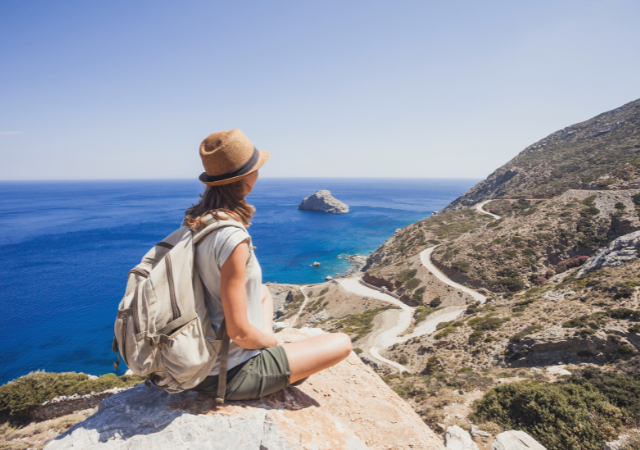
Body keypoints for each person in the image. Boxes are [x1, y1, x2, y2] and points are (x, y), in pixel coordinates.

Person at [185, 129, 352, 401]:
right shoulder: (233, 237)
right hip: (226, 373)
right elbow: (239, 332)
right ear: (247, 178)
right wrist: (270, 342)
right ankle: (262, 354)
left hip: (195, 358)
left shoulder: (196, 222)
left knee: (262, 292)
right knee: (341, 343)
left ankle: (260, 349)